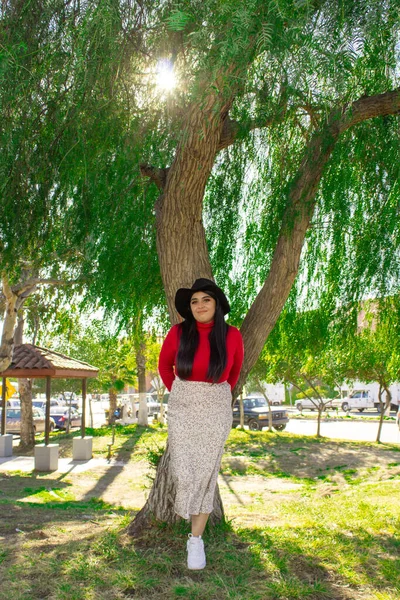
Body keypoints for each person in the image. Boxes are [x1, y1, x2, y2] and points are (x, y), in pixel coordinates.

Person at [158, 278, 244, 570]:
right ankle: (187, 519)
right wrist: (180, 393)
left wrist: (217, 394)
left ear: (216, 304)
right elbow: (163, 365)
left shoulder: (232, 335)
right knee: (184, 469)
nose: (199, 305)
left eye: (206, 300)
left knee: (207, 473)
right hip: (183, 404)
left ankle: (195, 541)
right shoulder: (178, 332)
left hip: (216, 406)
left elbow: (234, 372)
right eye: (194, 301)